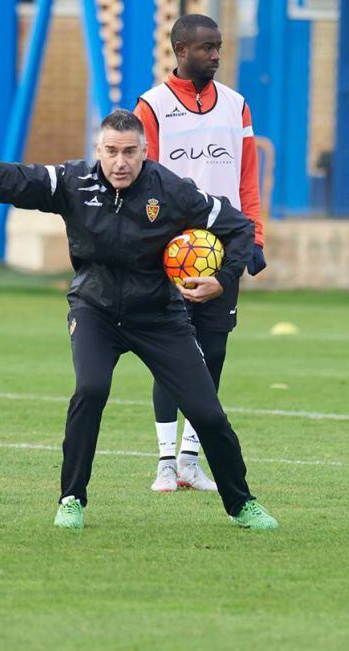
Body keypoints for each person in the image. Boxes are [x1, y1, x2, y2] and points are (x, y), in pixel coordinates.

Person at [0, 109, 278, 531]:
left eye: (130, 152)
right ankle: (72, 498)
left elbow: (238, 227)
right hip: (96, 311)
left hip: (158, 317)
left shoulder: (172, 190)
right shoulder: (74, 183)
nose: (120, 162)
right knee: (90, 390)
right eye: (111, 152)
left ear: (145, 152)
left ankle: (242, 504)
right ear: (98, 151)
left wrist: (222, 278)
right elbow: (10, 178)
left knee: (207, 412)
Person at [134, 14, 266, 493]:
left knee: (212, 353)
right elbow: (142, 183)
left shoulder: (237, 105)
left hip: (225, 248)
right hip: (172, 253)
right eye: (206, 47)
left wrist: (255, 237)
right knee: (173, 353)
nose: (215, 54)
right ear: (180, 50)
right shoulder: (151, 105)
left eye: (219, 46)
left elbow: (247, 179)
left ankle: (191, 460)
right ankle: (165, 462)